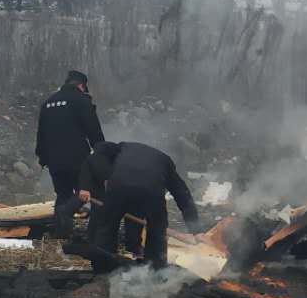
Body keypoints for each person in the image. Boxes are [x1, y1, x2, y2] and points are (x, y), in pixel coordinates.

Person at [78, 141, 200, 267]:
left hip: (119, 187)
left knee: (107, 226)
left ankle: (103, 266)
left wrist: (84, 186)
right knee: (157, 230)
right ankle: (155, 269)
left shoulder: (119, 148)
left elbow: (92, 159)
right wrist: (196, 229)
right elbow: (182, 194)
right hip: (151, 191)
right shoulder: (164, 161)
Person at [35, 70, 106, 237]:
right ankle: (96, 232)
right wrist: (101, 153)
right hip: (77, 157)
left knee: (63, 194)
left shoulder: (48, 102)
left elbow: (41, 133)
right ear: (81, 86)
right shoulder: (81, 100)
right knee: (91, 191)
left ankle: (61, 232)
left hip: (53, 158)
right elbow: (93, 129)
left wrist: (42, 157)